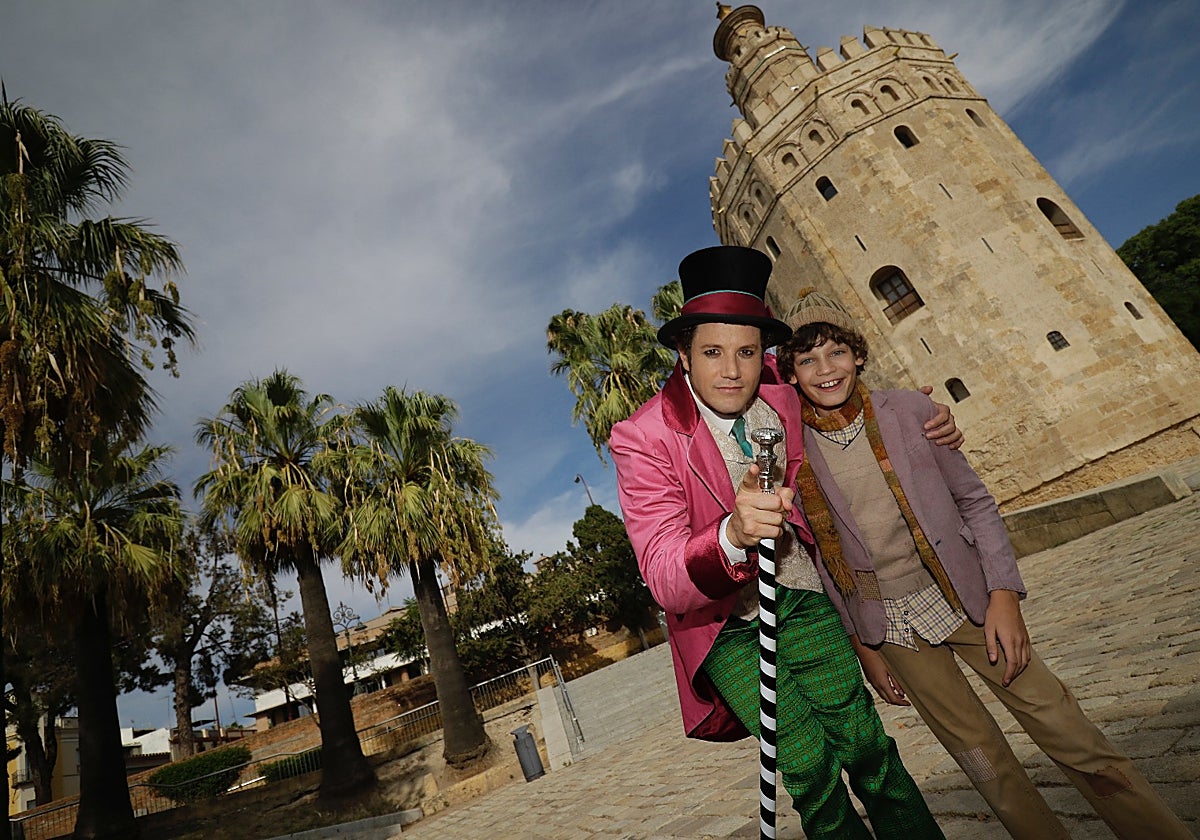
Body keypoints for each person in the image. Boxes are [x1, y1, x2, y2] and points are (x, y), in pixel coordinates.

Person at [776, 287, 1193, 840]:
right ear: (792, 373)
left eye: (836, 352)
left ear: (857, 354)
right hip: (895, 630)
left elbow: (974, 501)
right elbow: (822, 560)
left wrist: (1004, 596)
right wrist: (864, 646)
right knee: (984, 763)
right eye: (807, 359)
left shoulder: (911, 410)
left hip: (968, 601)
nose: (825, 370)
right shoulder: (793, 451)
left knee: (1068, 731)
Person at [610, 246, 956, 839]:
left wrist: (924, 415)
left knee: (869, 748)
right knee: (809, 772)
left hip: (803, 595)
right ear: (683, 354)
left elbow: (843, 398)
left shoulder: (780, 397)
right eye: (712, 352)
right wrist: (733, 534)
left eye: (747, 352)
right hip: (725, 629)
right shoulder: (642, 436)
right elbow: (663, 573)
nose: (731, 371)